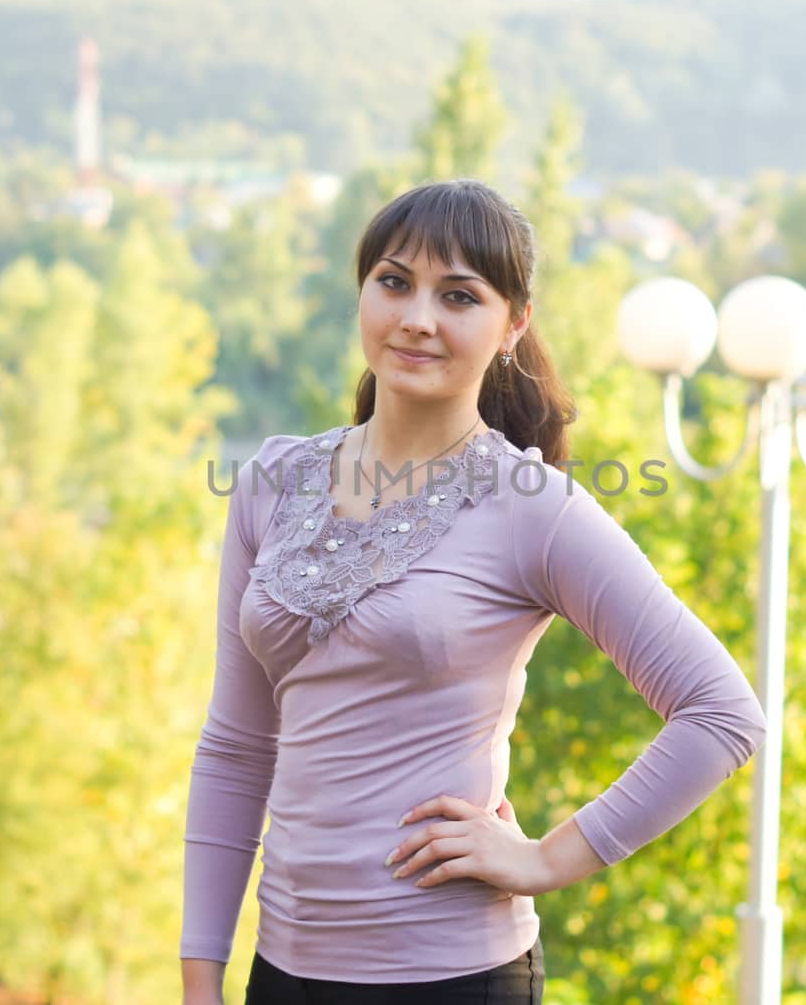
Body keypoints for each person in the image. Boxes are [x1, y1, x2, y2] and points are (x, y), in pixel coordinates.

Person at [179, 178, 769, 1004]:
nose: (418, 317)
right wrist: (201, 972)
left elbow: (721, 713)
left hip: (453, 976)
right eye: (394, 282)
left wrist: (547, 858)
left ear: (513, 324)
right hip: (282, 972)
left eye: (459, 295)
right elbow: (239, 745)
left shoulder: (533, 507)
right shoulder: (271, 483)